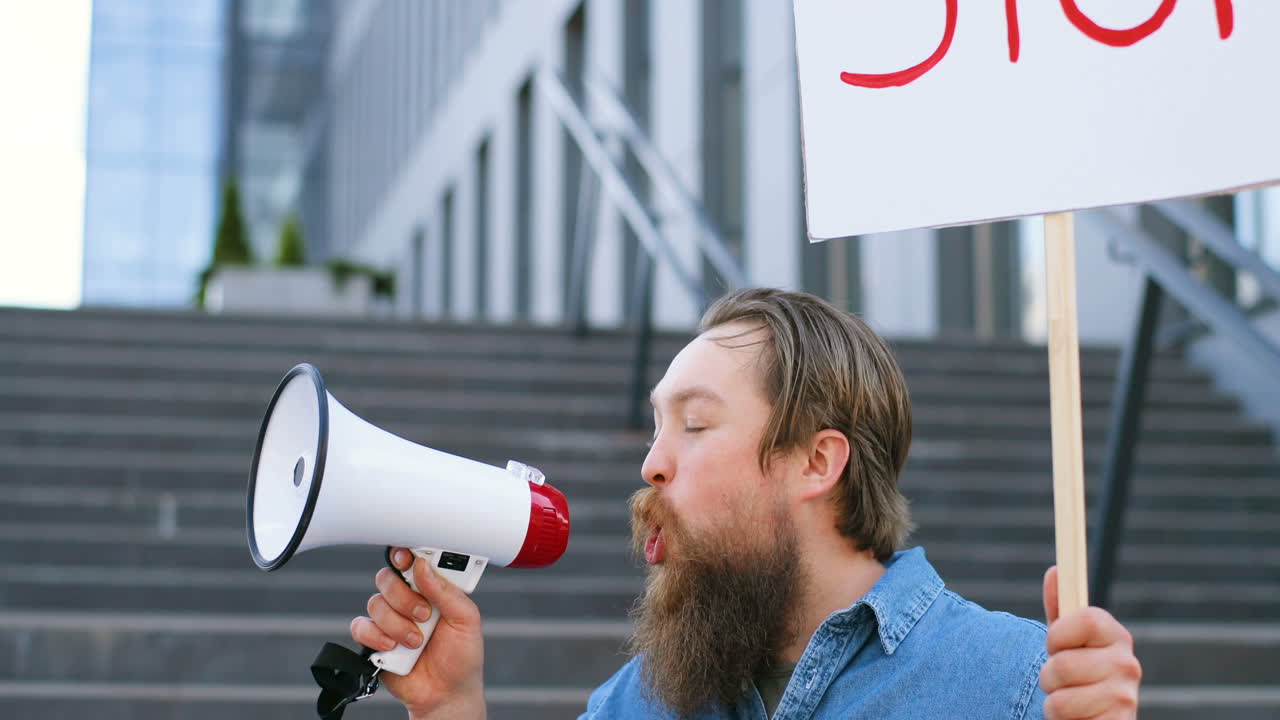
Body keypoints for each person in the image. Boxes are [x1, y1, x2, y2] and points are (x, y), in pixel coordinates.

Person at [350, 288, 1142, 719]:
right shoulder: (636, 702)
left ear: (815, 461)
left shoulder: (1025, 686)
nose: (651, 464)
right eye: (658, 426)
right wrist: (450, 708)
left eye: (694, 424)